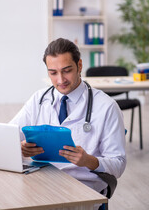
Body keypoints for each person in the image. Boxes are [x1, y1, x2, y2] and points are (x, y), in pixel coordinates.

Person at [10, 38, 126, 208]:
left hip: (81, 187)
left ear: (79, 65)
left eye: (67, 70)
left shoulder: (106, 106)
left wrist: (89, 161)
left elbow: (118, 164)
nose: (60, 80)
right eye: (53, 73)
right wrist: (20, 146)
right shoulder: (39, 99)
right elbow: (9, 135)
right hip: (40, 181)